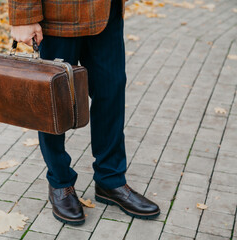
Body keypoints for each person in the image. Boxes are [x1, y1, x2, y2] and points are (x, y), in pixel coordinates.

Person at [8, 0, 160, 225]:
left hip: (107, 14)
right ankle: (60, 183)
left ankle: (110, 180)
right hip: (57, 16)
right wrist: (23, 17)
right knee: (53, 102)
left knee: (112, 93)